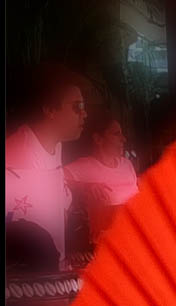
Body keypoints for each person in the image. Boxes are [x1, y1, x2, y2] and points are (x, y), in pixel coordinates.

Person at [5, 63, 87, 268]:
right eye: (77, 106)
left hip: (51, 271)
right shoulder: (19, 159)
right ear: (50, 110)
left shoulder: (55, 144)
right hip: (29, 279)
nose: (84, 114)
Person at [64, 108, 139, 244]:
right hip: (106, 244)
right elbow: (53, 180)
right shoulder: (85, 167)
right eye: (116, 134)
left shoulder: (126, 164)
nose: (123, 139)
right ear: (98, 139)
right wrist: (83, 187)